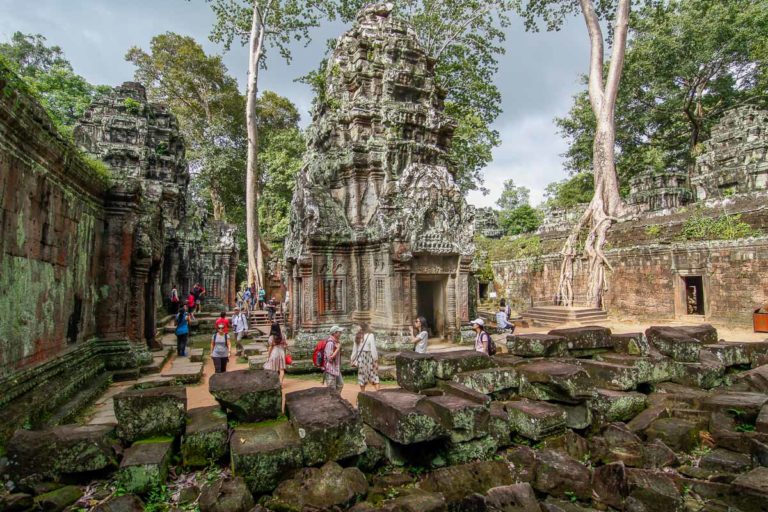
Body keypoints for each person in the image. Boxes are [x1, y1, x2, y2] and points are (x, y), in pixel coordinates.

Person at [351, 323, 379, 392]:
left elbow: (355, 350)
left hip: (360, 358)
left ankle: (363, 393)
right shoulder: (370, 335)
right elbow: (373, 349)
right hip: (369, 357)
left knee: (361, 376)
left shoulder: (357, 336)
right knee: (374, 375)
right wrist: (375, 360)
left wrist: (352, 359)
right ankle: (379, 393)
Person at [324, 325, 344, 393]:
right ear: (334, 333)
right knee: (331, 389)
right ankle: (333, 401)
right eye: (339, 332)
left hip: (336, 368)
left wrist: (340, 350)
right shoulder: (330, 343)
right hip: (330, 369)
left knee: (340, 384)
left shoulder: (336, 342)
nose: (341, 333)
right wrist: (338, 349)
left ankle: (337, 400)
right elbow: (330, 358)